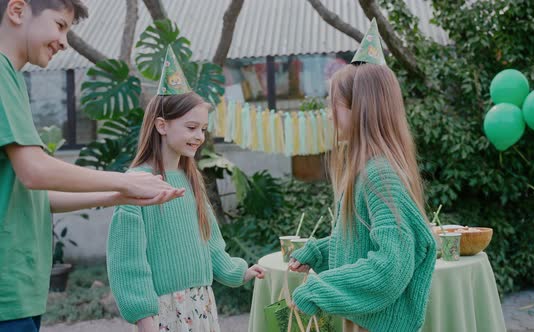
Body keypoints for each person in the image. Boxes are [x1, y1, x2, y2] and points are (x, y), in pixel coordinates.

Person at [0, 1, 184, 331]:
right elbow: (35, 171)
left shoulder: (11, 79)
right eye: (59, 25)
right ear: (17, 11)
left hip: (18, 291)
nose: (63, 41)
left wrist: (118, 195)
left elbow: (39, 196)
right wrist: (127, 182)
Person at [288, 19, 437, 332]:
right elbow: (359, 242)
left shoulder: (379, 175)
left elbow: (391, 267)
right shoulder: (369, 170)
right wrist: (318, 251)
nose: (330, 115)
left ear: (361, 109)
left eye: (335, 105)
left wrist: (318, 289)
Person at [107, 47, 265, 332]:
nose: (199, 137)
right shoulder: (135, 182)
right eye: (191, 127)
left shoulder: (190, 179)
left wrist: (238, 271)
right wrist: (145, 319)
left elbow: (210, 240)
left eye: (203, 129)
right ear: (162, 125)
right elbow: (127, 261)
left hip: (200, 304)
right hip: (162, 312)